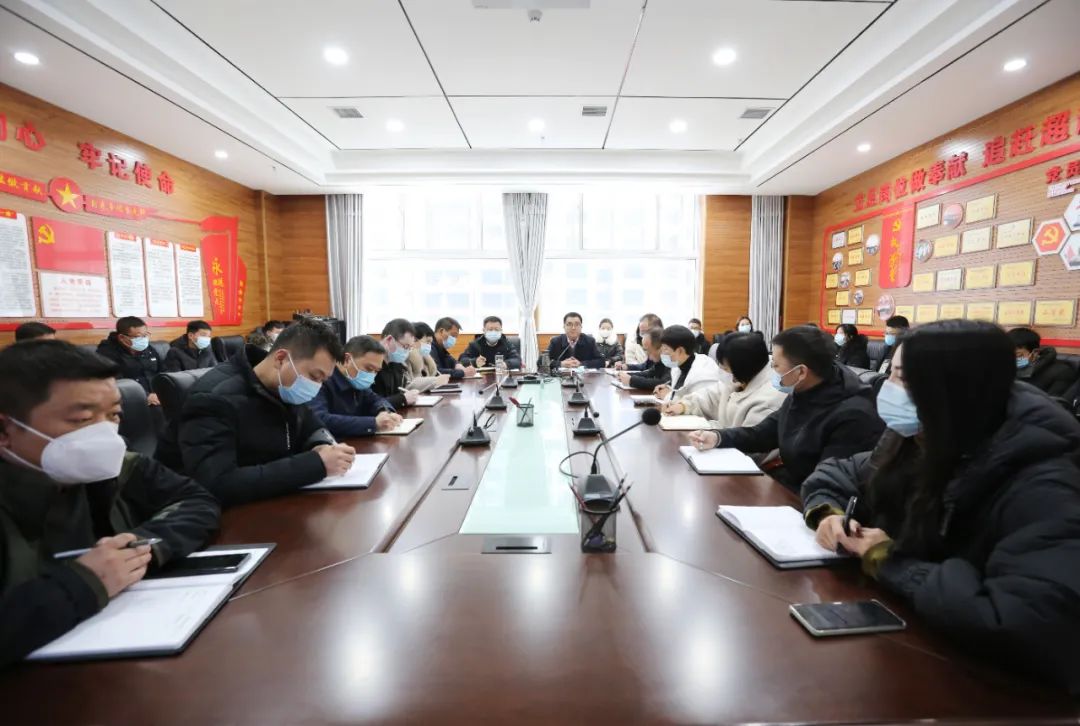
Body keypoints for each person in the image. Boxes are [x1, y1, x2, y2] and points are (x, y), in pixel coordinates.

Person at [801, 321, 1080, 695]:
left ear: (954, 389)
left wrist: (890, 561)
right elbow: (839, 473)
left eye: (902, 378)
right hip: (911, 643)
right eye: (890, 373)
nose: (886, 388)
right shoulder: (917, 434)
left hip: (996, 690)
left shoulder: (1043, 480)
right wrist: (828, 512)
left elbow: (1028, 623)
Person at [0, 340, 220, 666]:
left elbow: (196, 500)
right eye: (81, 420)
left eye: (113, 415)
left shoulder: (117, 467)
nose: (104, 435)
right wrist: (85, 583)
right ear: (5, 430)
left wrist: (138, 550)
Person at [176, 318, 356, 506]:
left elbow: (311, 424)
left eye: (323, 380)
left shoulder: (284, 385)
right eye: (314, 376)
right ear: (281, 359)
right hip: (219, 512)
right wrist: (316, 464)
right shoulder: (213, 399)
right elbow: (218, 484)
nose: (316, 386)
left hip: (274, 501)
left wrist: (321, 445)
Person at [688, 325, 884, 492]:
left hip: (815, 504)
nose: (771, 371)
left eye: (775, 365)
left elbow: (828, 482)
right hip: (791, 486)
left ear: (801, 372)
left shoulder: (853, 416)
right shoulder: (805, 390)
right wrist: (718, 437)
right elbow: (763, 433)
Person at [663, 333, 786, 451]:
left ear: (742, 368)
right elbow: (710, 396)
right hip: (720, 442)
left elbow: (752, 444)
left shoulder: (769, 399)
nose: (722, 372)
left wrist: (716, 437)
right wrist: (683, 405)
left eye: (726, 368)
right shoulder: (739, 377)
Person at [308, 335, 402, 437]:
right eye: (369, 369)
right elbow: (320, 419)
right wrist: (373, 423)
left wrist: (386, 412)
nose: (372, 375)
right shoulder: (322, 379)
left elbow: (376, 399)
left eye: (376, 371)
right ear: (347, 360)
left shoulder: (356, 381)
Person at [95, 317, 163, 406]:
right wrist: (146, 396)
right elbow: (115, 382)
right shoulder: (106, 353)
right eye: (138, 337)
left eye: (145, 335)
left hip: (156, 397)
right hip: (129, 399)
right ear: (122, 337)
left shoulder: (148, 349)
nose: (143, 339)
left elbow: (161, 371)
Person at [653, 325, 721, 401]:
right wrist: (668, 388)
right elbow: (682, 390)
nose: (662, 353)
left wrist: (668, 396)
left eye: (665, 349)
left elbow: (695, 403)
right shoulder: (680, 364)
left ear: (680, 351)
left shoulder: (703, 372)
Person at [1009, 327, 1075, 397]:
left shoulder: (1062, 372)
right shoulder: (1006, 369)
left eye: (1018, 355)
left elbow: (1054, 402)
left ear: (1035, 353)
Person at [372, 318, 420, 410]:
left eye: (409, 348)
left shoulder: (397, 364)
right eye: (405, 346)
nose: (407, 352)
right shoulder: (370, 365)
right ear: (389, 340)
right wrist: (401, 399)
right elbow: (371, 404)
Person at [617, 326, 667, 391]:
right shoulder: (660, 361)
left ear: (660, 348)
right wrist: (627, 376)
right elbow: (649, 373)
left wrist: (632, 380)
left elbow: (663, 383)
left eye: (648, 350)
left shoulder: (670, 361)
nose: (647, 354)